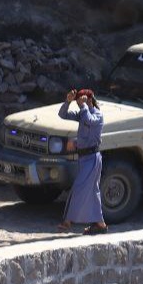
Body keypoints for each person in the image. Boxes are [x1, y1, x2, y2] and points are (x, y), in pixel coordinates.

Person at [58, 89, 107, 235]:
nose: (79, 105)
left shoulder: (97, 115)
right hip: (83, 158)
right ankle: (100, 224)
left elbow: (89, 121)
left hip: (92, 158)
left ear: (89, 100)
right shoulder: (83, 113)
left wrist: (84, 106)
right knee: (93, 191)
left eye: (81, 102)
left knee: (78, 188)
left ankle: (68, 221)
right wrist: (68, 101)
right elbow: (63, 115)